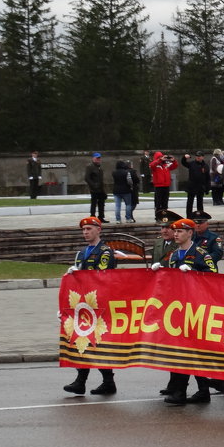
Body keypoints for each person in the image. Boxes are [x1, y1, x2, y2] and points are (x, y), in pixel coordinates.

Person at [152, 217, 218, 405]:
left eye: (180, 231)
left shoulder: (200, 254)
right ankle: (199, 390)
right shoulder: (173, 255)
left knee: (189, 351)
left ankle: (180, 392)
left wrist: (194, 274)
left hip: (196, 309)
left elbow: (214, 278)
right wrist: (159, 271)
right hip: (177, 310)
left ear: (190, 233)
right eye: (175, 231)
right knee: (181, 350)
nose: (176, 234)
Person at [62, 216, 118, 396]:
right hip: (83, 305)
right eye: (84, 230)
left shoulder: (105, 252)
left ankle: (107, 381)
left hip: (100, 303)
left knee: (98, 343)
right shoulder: (82, 253)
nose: (86, 233)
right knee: (83, 342)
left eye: (89, 229)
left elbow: (103, 276)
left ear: (98, 230)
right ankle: (81, 381)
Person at [111, 159, 140, 224]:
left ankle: (118, 219)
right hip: (126, 190)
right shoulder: (126, 172)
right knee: (128, 205)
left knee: (117, 206)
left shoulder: (114, 172)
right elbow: (129, 181)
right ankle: (128, 218)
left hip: (116, 190)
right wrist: (131, 186)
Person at [181, 151, 208, 217]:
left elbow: (207, 177)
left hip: (201, 186)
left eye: (199, 156)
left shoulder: (205, 165)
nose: (198, 157)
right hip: (192, 186)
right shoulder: (191, 164)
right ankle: (189, 216)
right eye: (197, 156)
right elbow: (183, 163)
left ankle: (201, 215)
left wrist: (207, 188)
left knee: (200, 202)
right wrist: (184, 157)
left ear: (202, 157)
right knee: (190, 202)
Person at [84, 152, 107, 222]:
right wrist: (93, 185)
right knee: (94, 203)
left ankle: (101, 217)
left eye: (99, 158)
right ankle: (92, 216)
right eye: (97, 158)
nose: (98, 160)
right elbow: (87, 178)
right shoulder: (90, 167)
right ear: (93, 158)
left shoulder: (99, 167)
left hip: (101, 188)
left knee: (101, 203)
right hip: (94, 189)